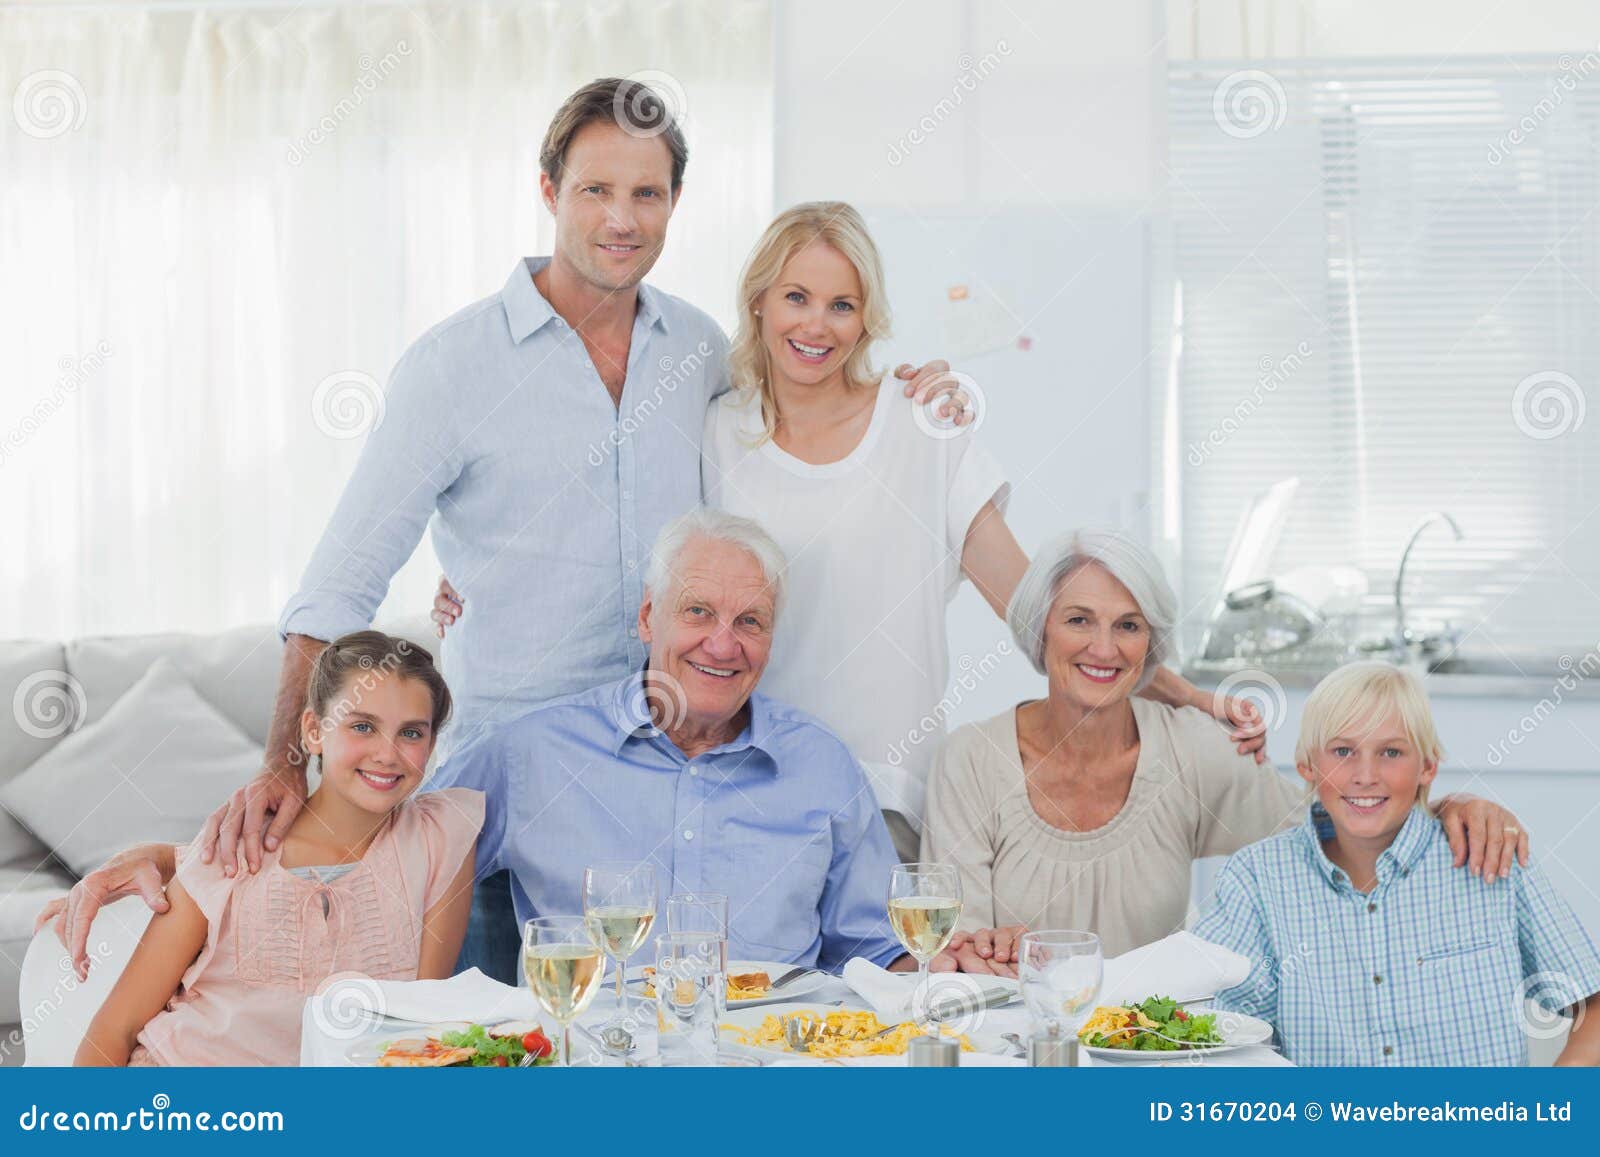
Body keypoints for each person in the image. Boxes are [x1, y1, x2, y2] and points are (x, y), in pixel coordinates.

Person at [38, 77, 955, 981]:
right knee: (474, 1067)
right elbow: (340, 584)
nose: (621, 218)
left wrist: (903, 395)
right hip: (511, 800)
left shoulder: (702, 351)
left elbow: (794, 449)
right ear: (549, 190)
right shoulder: (453, 369)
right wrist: (272, 776)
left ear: (676, 203)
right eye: (596, 188)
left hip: (682, 775)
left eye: (646, 193)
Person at [434, 201, 1266, 861]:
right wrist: (478, 580)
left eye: (843, 304)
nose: (817, 324)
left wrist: (1188, 695)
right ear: (759, 301)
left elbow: (1039, 611)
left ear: (867, 319)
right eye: (796, 296)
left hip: (889, 804)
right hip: (740, 801)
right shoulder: (715, 429)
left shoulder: (921, 426)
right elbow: (630, 547)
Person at [427, 507, 1001, 974]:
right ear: (650, 618)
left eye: (750, 622)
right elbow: (397, 862)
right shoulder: (533, 753)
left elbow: (876, 950)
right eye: (698, 612)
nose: (723, 647)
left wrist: (950, 964)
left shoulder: (820, 764)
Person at [922, 530, 1530, 966]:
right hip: (1008, 1050)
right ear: (1039, 630)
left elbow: (1337, 828)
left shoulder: (1190, 751)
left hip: (1150, 1050)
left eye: (1128, 625)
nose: (1103, 649)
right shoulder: (971, 760)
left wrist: (1447, 809)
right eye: (1079, 620)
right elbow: (959, 950)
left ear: (1149, 646)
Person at [74, 633, 481, 1066]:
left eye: (411, 733)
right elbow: (112, 1032)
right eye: (362, 726)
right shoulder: (229, 852)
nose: (388, 753)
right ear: (313, 731)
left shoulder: (443, 835)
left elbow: (421, 1021)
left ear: (432, 745)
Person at [1192, 661, 1600, 1066]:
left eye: (1390, 752)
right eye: (1342, 751)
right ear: (1308, 767)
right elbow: (1216, 1035)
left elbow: (1592, 1009)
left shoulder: (1490, 856)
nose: (1366, 775)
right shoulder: (1258, 878)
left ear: (1427, 767)